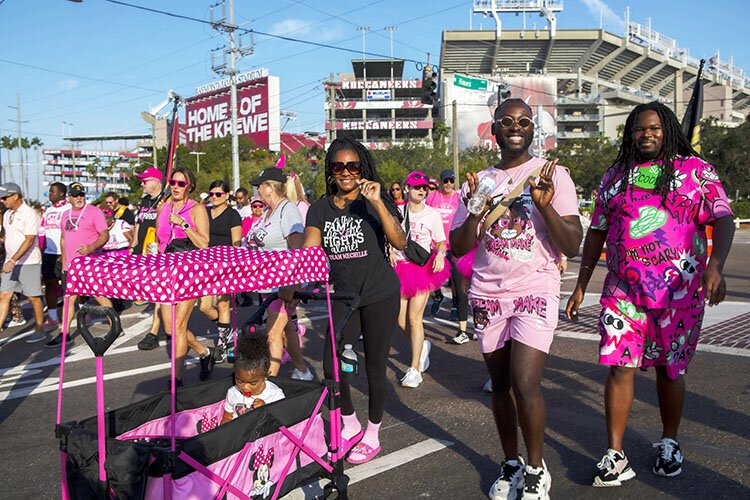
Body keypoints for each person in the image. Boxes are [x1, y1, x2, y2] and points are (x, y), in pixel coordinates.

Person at [565, 101, 735, 487]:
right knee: (619, 367)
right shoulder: (615, 177)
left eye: (655, 128)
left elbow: (722, 216)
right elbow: (597, 232)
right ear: (630, 133)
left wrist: (716, 266)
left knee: (668, 370)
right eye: (640, 129)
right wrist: (580, 284)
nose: (647, 134)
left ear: (667, 130)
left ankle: (670, 441)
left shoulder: (695, 172)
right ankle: (615, 453)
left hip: (679, 293)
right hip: (623, 292)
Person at [451, 98, 582, 500]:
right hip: (488, 292)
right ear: (494, 129)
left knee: (526, 382)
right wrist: (475, 210)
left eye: (524, 121)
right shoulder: (478, 181)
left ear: (532, 130)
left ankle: (536, 468)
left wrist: (545, 207)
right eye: (507, 121)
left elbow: (573, 244)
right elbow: (458, 246)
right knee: (502, 384)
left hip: (535, 288)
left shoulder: (552, 174)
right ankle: (510, 461)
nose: (516, 126)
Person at [281, 136, 407, 465]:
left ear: (361, 168)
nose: (347, 172)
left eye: (353, 166)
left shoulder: (371, 200)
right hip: (344, 296)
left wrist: (378, 202)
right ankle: (349, 422)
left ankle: (373, 433)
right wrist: (291, 279)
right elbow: (309, 250)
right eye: (340, 166)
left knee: (375, 367)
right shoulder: (321, 208)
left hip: (380, 293)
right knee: (332, 364)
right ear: (331, 171)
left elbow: (400, 241)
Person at [247, 167, 311, 380]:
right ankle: (302, 370)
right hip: (268, 283)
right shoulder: (267, 212)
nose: (257, 190)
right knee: (285, 330)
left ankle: (269, 383)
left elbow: (297, 248)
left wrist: (292, 283)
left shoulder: (287, 210)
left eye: (260, 185)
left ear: (270, 188)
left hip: (283, 283)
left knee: (273, 333)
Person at [156, 167, 216, 385]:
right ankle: (204, 352)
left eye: (181, 183)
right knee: (170, 327)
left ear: (189, 186)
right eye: (173, 182)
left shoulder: (197, 209)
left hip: (188, 271)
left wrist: (183, 224)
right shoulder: (163, 207)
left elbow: (204, 243)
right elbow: (160, 237)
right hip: (165, 270)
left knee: (179, 325)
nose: (176, 186)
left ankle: (176, 380)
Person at [390, 171, 450, 388]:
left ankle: (414, 369)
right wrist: (388, 249)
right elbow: (388, 235)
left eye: (424, 187)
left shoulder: (432, 214)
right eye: (417, 187)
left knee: (415, 319)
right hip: (399, 268)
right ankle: (421, 344)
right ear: (407, 188)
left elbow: (440, 242)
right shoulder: (397, 211)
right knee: (400, 320)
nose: (422, 191)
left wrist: (441, 255)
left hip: (421, 269)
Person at [45, 182, 113, 348]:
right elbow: (63, 239)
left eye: (81, 194)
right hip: (71, 266)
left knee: (100, 295)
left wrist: (91, 248)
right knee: (69, 299)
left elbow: (105, 235)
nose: (79, 198)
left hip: (90, 263)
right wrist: (64, 262)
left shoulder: (94, 212)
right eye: (75, 195)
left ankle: (115, 326)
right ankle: (64, 333)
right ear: (69, 197)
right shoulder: (65, 214)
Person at [198, 179, 242, 363]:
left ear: (226, 195)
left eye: (219, 194)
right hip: (206, 265)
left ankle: (223, 345)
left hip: (225, 265)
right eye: (212, 194)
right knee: (205, 307)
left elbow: (237, 243)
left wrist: (235, 266)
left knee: (224, 305)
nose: (214, 197)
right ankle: (229, 331)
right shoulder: (205, 212)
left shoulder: (233, 215)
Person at [427, 168, 472, 341]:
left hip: (454, 249)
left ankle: (463, 331)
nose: (448, 184)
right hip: (436, 249)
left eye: (451, 181)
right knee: (426, 282)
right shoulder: (432, 197)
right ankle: (436, 297)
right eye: (445, 181)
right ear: (440, 181)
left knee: (461, 289)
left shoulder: (459, 197)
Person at [0, 183, 47, 341]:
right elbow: (7, 236)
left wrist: (13, 259)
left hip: (28, 262)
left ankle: (40, 328)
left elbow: (29, 240)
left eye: (5, 197)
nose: (2, 200)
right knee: (4, 295)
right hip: (10, 261)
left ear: (15, 196)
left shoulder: (29, 213)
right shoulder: (8, 214)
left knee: (33, 296)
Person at [131, 167, 167, 351]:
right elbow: (139, 225)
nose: (142, 183)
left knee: (159, 292)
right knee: (153, 293)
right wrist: (133, 247)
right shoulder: (145, 201)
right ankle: (164, 325)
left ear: (156, 181)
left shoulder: (165, 200)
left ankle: (154, 331)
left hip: (159, 252)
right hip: (143, 251)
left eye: (145, 180)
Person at [220, 333, 285, 424]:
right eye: (240, 381)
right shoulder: (233, 392)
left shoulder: (275, 395)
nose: (245, 387)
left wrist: (265, 409)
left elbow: (280, 422)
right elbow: (227, 417)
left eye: (253, 383)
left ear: (266, 375)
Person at [41, 182, 70, 331]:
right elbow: (44, 233)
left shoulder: (69, 208)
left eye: (52, 191)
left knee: (69, 286)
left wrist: (65, 252)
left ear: (61, 193)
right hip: (49, 253)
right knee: (50, 284)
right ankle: (52, 317)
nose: (50, 193)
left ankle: (81, 310)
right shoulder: (48, 210)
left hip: (65, 252)